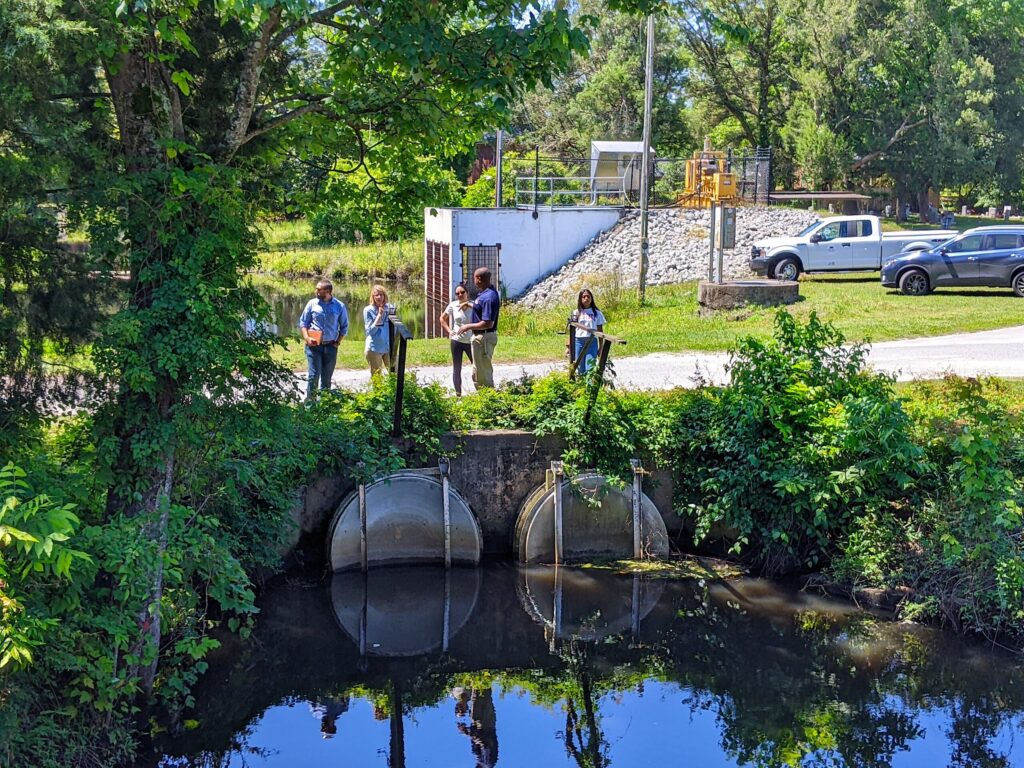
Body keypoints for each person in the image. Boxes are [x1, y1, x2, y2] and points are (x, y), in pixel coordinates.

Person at [298, 279, 348, 401]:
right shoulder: (312, 304)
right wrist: (307, 337)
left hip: (331, 346)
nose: (316, 291)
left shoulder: (339, 306)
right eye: (317, 289)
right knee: (313, 376)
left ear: (328, 291)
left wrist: (338, 342)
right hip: (314, 346)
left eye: (319, 289)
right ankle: (310, 404)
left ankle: (325, 405)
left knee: (326, 378)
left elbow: (344, 326)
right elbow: (303, 323)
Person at [455, 267, 499, 389]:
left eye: (474, 277)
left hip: (484, 337)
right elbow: (481, 307)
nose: (473, 280)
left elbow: (488, 323)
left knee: (483, 373)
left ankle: (489, 402)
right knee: (477, 372)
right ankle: (482, 400)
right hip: (480, 337)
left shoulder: (489, 297)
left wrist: (467, 326)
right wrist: (469, 304)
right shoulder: (485, 293)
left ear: (479, 279)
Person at [439, 283, 474, 395]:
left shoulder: (473, 305)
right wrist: (449, 331)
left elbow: (483, 313)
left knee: (477, 366)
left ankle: (482, 391)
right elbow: (442, 318)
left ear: (467, 293)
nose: (460, 295)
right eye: (457, 293)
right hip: (456, 341)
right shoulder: (453, 305)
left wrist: (469, 305)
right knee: (456, 368)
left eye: (462, 292)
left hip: (471, 341)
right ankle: (458, 394)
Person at [566, 288, 606, 375]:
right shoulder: (576, 312)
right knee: (580, 366)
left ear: (591, 298)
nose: (586, 299)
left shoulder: (597, 313)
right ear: (580, 299)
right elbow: (572, 330)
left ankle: (590, 386)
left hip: (592, 342)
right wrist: (568, 346)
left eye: (588, 296)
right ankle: (581, 386)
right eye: (584, 297)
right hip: (579, 341)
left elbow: (600, 331)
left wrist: (601, 347)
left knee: (590, 366)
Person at [363, 284, 392, 376]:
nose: (379, 297)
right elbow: (370, 331)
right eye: (377, 295)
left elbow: (395, 328)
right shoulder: (368, 310)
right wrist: (379, 315)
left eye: (381, 295)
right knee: (377, 378)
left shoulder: (390, 308)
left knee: (394, 375)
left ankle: (393, 391)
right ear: (373, 297)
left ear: (384, 296)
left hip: (388, 347)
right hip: (374, 348)